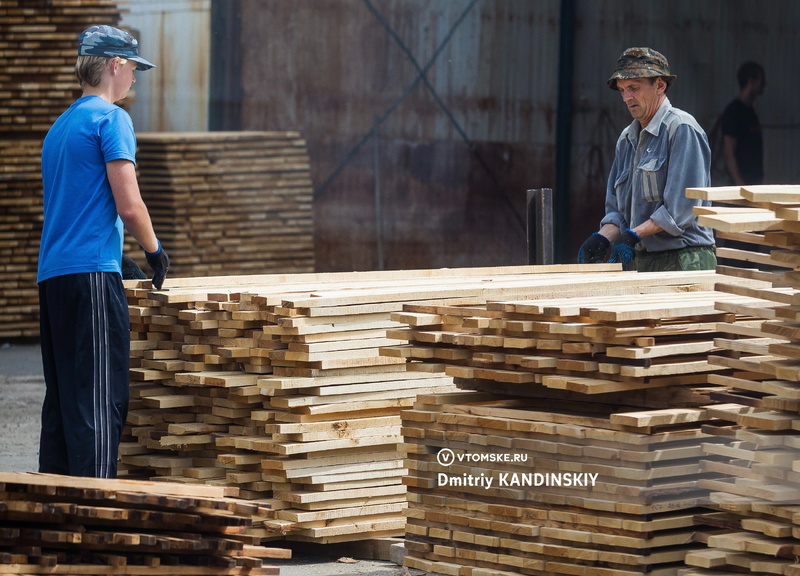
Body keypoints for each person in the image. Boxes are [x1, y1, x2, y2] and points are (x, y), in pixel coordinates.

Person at [37, 25, 170, 478]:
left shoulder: (59, 128)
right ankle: (92, 528)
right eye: (133, 68)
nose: (134, 77)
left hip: (54, 278)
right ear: (115, 65)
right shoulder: (111, 120)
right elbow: (129, 205)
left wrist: (117, 255)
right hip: (90, 277)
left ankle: (52, 517)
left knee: (63, 403)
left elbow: (75, 205)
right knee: (98, 400)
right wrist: (153, 251)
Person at [577, 47, 716, 272]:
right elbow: (618, 211)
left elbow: (680, 212)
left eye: (633, 88)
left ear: (660, 85)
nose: (626, 97)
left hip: (686, 259)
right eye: (622, 90)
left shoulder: (681, 129)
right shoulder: (626, 139)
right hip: (644, 260)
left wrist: (633, 235)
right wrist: (602, 237)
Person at [721, 61, 766, 186]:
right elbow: (728, 151)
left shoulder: (751, 111)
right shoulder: (734, 112)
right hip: (740, 187)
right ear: (751, 81)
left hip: (753, 183)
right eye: (761, 80)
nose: (764, 84)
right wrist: (739, 183)